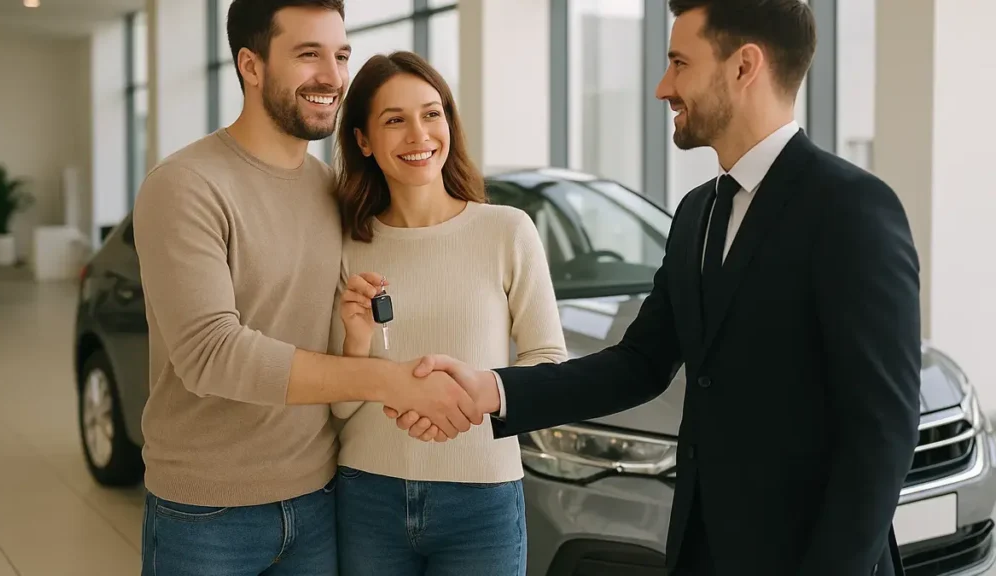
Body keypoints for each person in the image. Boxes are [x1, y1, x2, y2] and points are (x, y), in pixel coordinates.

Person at [393, 1, 922, 575]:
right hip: (703, 551)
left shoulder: (852, 208)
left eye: (679, 62)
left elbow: (882, 435)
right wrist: (494, 390)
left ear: (744, 67)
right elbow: (639, 364)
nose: (662, 87)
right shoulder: (697, 214)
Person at [132, 2, 482, 575]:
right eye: (308, 54)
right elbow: (211, 354)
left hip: (318, 501)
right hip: (205, 514)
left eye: (341, 54)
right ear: (251, 64)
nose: (333, 76)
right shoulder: (185, 185)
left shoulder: (330, 192)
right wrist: (393, 381)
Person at [327, 50, 567, 576]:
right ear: (363, 141)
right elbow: (338, 408)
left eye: (431, 114)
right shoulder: (347, 246)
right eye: (395, 120)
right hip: (368, 493)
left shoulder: (507, 230)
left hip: (482, 499)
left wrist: (470, 397)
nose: (419, 134)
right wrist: (357, 343)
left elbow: (548, 363)